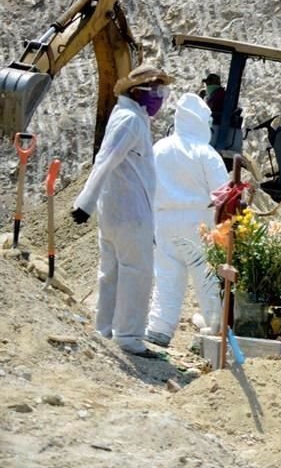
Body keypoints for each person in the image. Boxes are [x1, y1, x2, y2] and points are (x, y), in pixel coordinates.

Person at [71, 64, 173, 358]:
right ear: (136, 90)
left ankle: (105, 331)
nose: (160, 96)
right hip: (130, 215)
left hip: (117, 213)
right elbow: (105, 160)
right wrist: (84, 203)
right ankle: (128, 337)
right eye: (156, 89)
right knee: (135, 274)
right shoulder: (130, 120)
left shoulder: (129, 117)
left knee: (112, 274)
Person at [145, 93, 229, 347]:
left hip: (164, 220)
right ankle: (215, 328)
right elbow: (223, 192)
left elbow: (147, 184)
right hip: (199, 222)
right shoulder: (206, 153)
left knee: (167, 275)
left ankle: (159, 327)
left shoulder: (159, 148)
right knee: (206, 278)